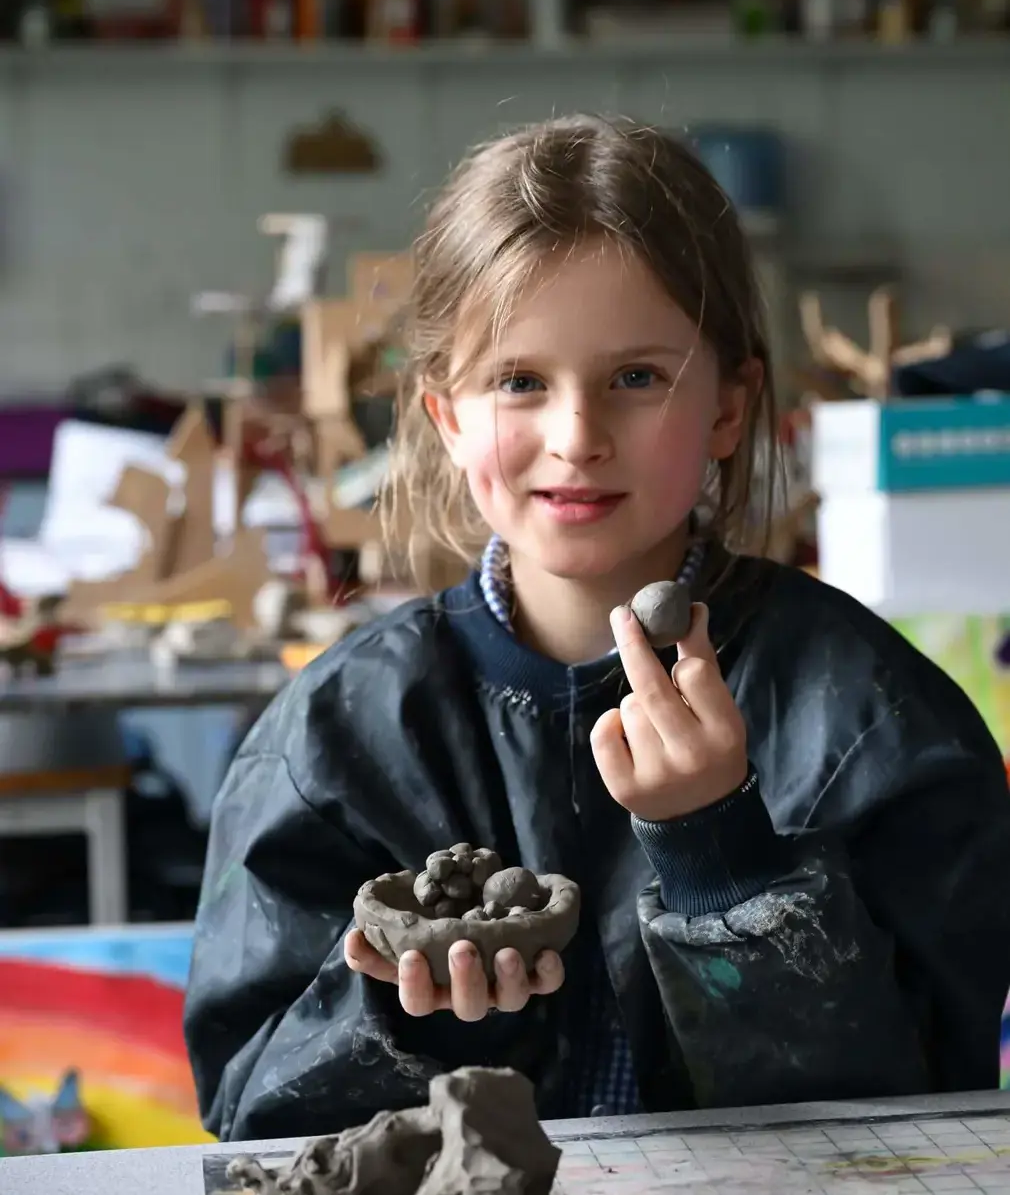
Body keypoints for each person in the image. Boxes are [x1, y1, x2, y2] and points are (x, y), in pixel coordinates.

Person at [184, 115, 1010, 1142]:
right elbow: (249, 1115)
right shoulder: (335, 736)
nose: (576, 437)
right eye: (519, 381)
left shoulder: (870, 719)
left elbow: (931, 1115)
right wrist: (406, 1019)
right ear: (446, 416)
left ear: (729, 406)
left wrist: (720, 860)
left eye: (636, 378)